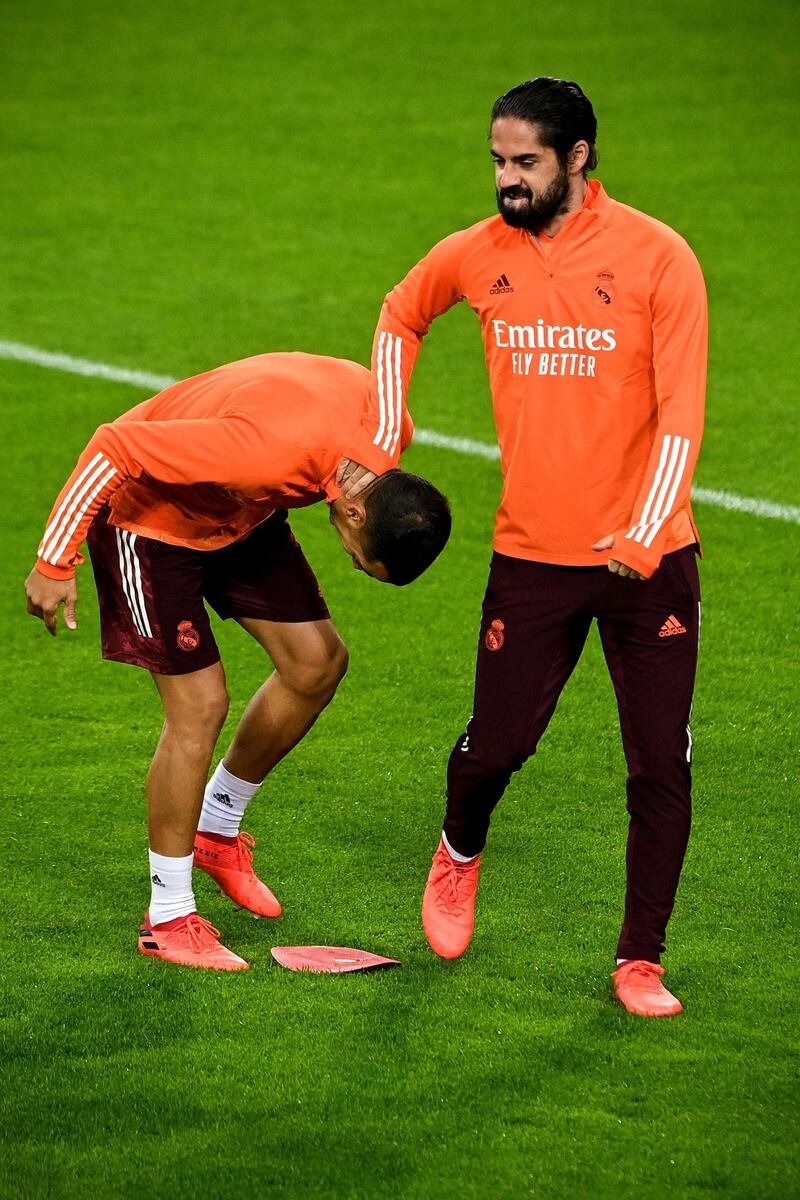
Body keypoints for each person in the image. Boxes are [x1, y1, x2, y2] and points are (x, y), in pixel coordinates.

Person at [338, 78, 707, 1017]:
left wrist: (645, 529)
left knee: (658, 760)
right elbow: (399, 312)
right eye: (499, 161)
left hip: (647, 560)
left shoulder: (660, 258)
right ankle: (460, 848)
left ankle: (640, 960)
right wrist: (385, 436)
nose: (507, 179)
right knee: (499, 743)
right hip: (533, 557)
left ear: (578, 156)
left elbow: (681, 415)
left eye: (525, 163)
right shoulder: (479, 254)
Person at [25, 351, 451, 971]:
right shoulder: (267, 452)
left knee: (317, 663)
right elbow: (114, 445)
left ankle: (215, 830)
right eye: (360, 558)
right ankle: (168, 917)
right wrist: (54, 560)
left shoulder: (387, 435)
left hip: (242, 511)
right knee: (201, 705)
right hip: (151, 523)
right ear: (357, 511)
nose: (351, 563)